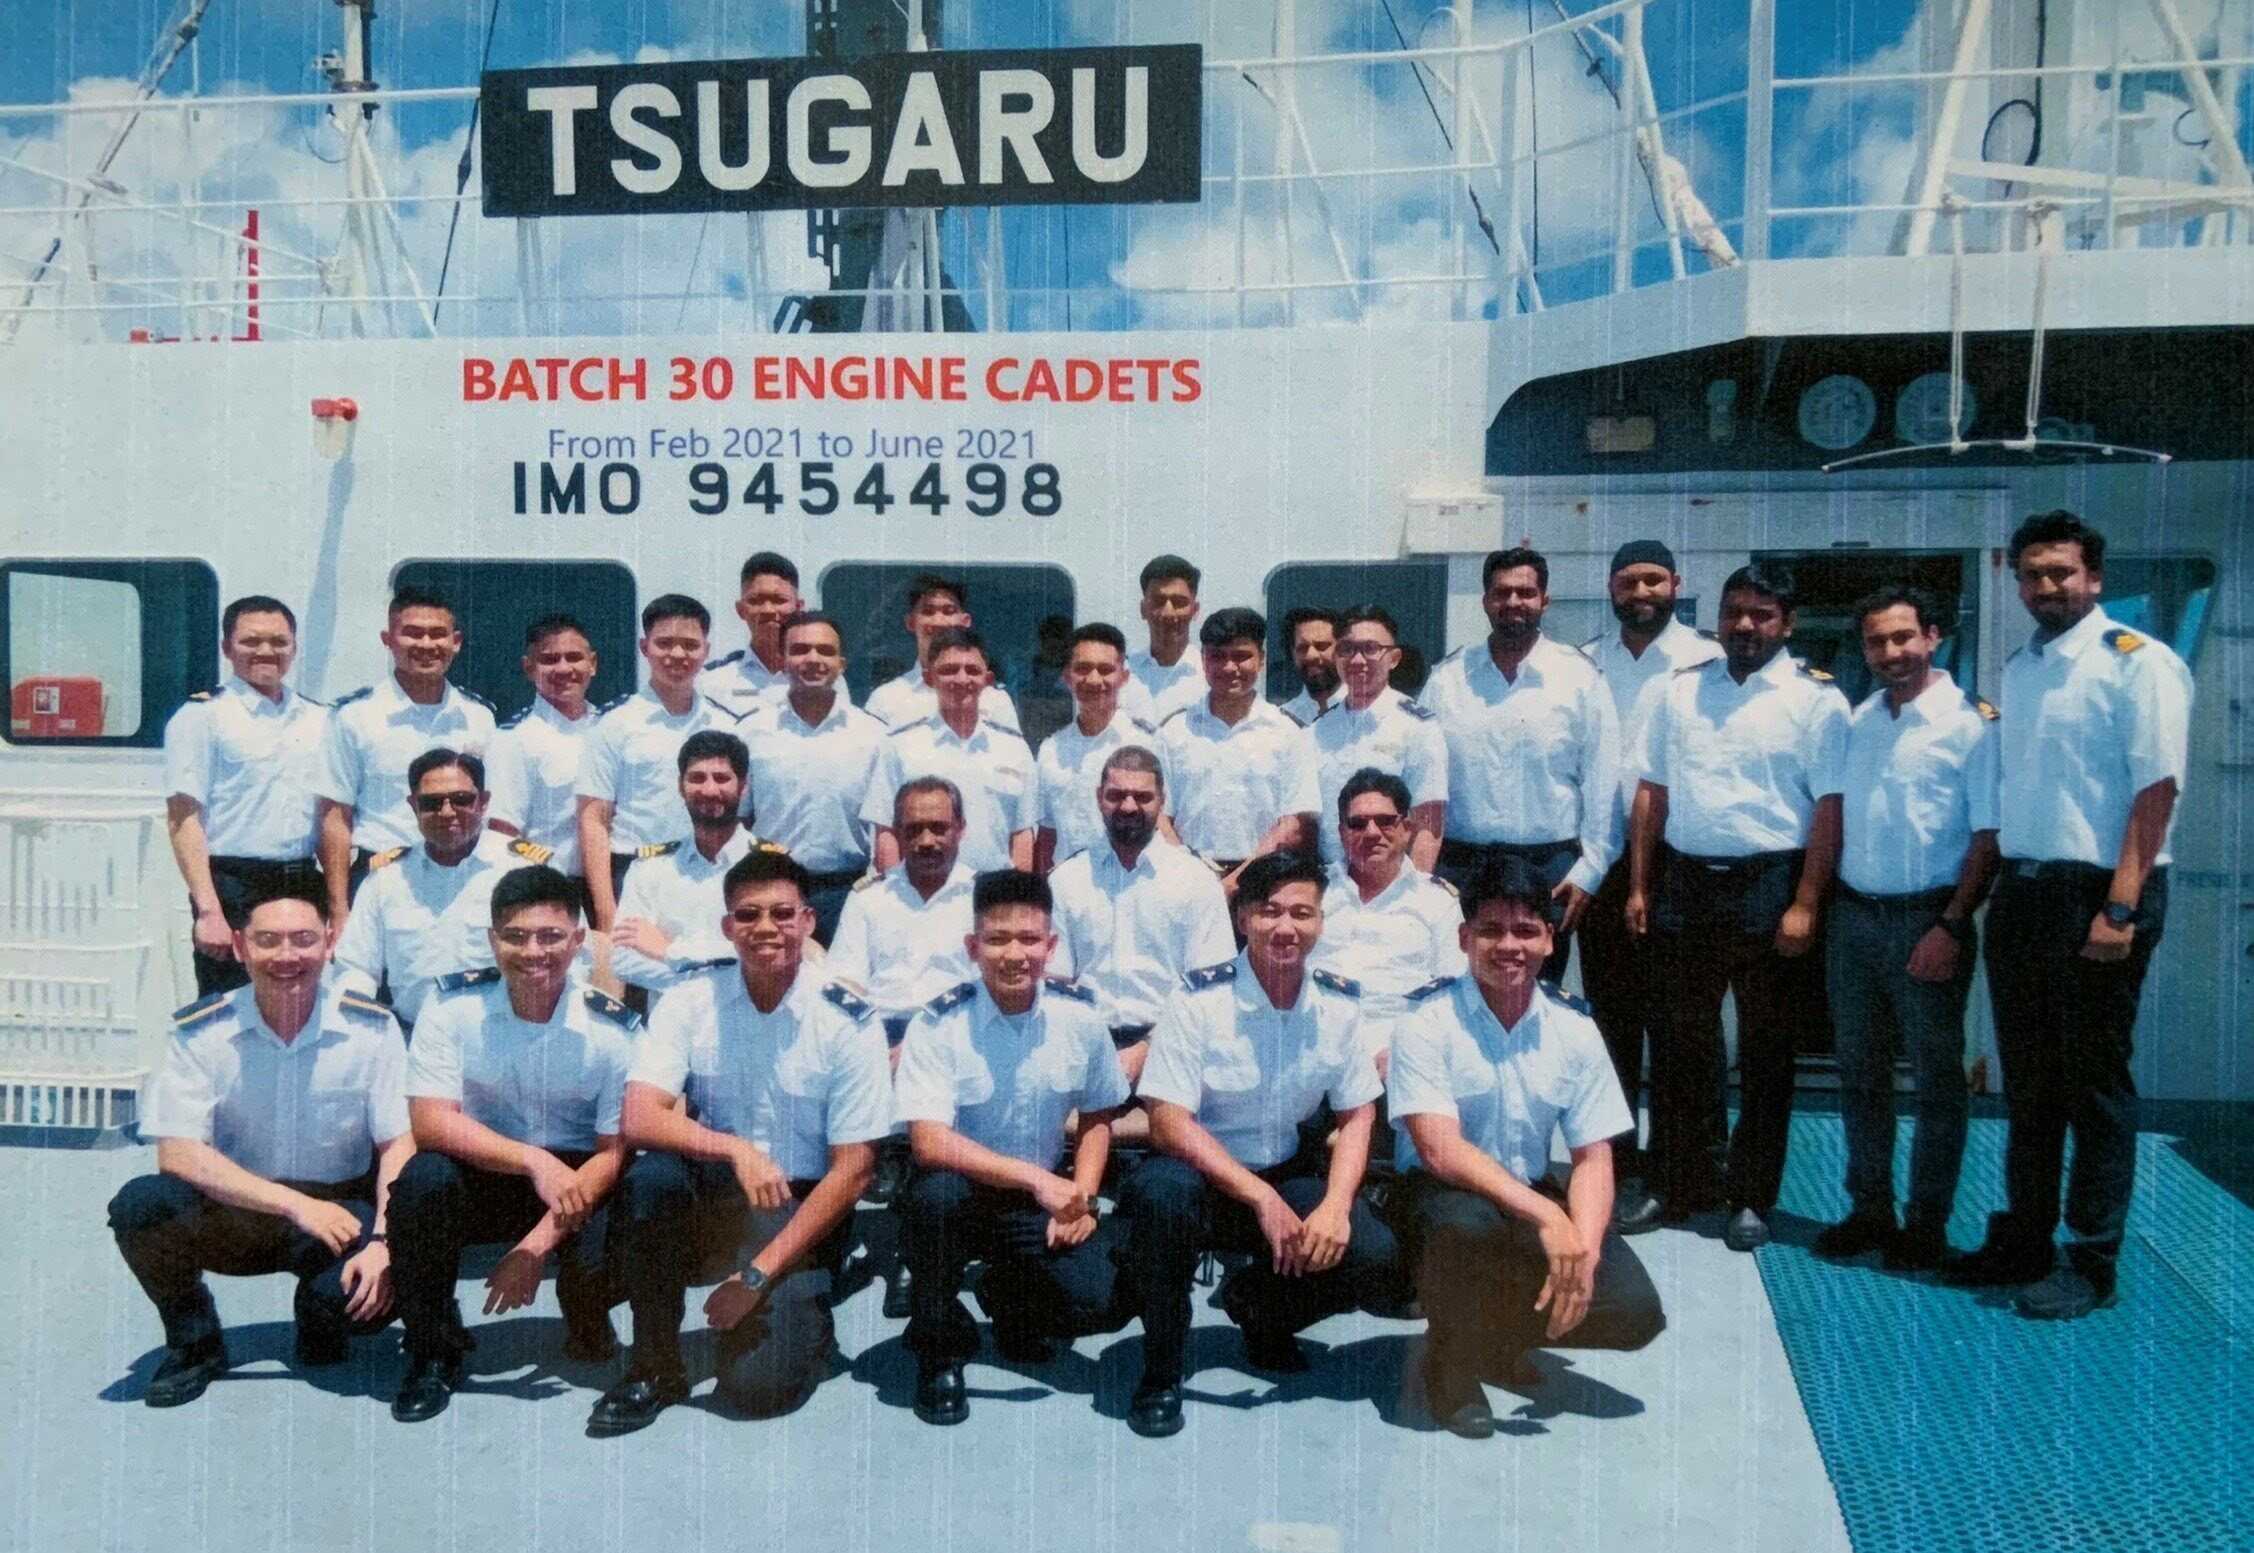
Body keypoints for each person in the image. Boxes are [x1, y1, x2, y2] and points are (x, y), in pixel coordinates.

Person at [1942, 511, 2192, 1320]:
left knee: (2093, 1084)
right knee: (2031, 1083)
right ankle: (2025, 1238)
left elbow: (2156, 788)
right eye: (2032, 574)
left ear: (2095, 578)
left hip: (2100, 893)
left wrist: (2120, 905)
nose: (2046, 585)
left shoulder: (2137, 664)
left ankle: (2091, 1257)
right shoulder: (2023, 668)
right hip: (2026, 891)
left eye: (2062, 571)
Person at [591, 851, 892, 1433]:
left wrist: (756, 1275)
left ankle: (807, 1316)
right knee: (652, 1179)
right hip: (721, 1191)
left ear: (808, 921)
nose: (765, 928)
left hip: (803, 1209)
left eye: (782, 914)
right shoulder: (691, 1000)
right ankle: (654, 1366)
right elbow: (639, 1117)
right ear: (728, 927)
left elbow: (854, 1171)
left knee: (757, 1390)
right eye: (748, 915)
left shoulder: (848, 1019)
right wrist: (736, 1150)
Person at [1119, 851, 1401, 1439]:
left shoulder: (1338, 1005)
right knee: (1158, 1199)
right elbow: (1167, 1122)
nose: (1285, 927)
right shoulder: (1198, 999)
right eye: (1270, 911)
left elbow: (1357, 1114)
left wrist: (1335, 1206)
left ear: (1321, 922)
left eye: (1302, 913)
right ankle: (1162, 1369)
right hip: (1199, 1174)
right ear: (1243, 917)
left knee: (1373, 1252)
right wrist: (1259, 1198)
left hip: (1284, 1169)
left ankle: (1261, 1308)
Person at [1388, 859, 1666, 1439]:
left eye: (1525, 931)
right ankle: (1450, 1367)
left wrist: (1583, 1253)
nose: (1509, 946)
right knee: (1466, 1228)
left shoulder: (1574, 1027)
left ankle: (1491, 1338)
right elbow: (1440, 1151)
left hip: (1527, 1194)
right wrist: (1549, 1217)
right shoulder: (1426, 1020)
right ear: (1464, 939)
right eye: (1490, 930)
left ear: (1549, 940)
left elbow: (1593, 1157)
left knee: (1634, 1312)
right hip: (1442, 1197)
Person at [108, 877, 411, 1408]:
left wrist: (384, 1243)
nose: (287, 956)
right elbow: (178, 1153)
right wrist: (295, 1205)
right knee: (142, 1205)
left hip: (338, 1215)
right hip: (237, 1211)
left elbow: (397, 1145)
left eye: (303, 939)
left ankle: (319, 1315)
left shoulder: (372, 1029)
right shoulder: (201, 1031)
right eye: (268, 940)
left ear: (330, 942)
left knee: (359, 1309)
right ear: (240, 946)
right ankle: (194, 1341)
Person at [1625, 562, 1848, 1251]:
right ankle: (1679, 1181)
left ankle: (1750, 1195)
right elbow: (1652, 793)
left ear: (1788, 623)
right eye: (1734, 612)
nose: (1745, 625)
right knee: (1679, 1042)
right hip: (1686, 880)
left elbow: (1829, 811)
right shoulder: (1680, 690)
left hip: (1770, 884)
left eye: (1761, 614)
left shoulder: (1817, 701)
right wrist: (1639, 885)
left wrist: (1806, 902)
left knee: (1765, 1049)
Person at [387, 865, 636, 1421]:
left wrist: (533, 1249)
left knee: (635, 1202)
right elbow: (430, 1122)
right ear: (492, 939)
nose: (533, 952)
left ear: (578, 940)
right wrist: (533, 1161)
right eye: (516, 936)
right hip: (489, 1167)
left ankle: (587, 1315)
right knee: (423, 1182)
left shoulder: (614, 1031)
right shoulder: (450, 1008)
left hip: (578, 1182)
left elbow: (613, 1152)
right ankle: (432, 1348)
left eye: (551, 936)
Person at [893, 870, 1133, 1425]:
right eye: (998, 940)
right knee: (935, 1202)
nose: (1015, 955)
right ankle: (939, 1350)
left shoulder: (1080, 1017)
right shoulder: (939, 1022)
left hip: (1036, 1201)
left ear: (1051, 946)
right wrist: (1041, 1181)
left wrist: (1084, 1196)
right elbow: (929, 1142)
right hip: (959, 1192)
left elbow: (1099, 1114)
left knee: (1106, 1299)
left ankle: (1007, 1296)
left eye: (1029, 939)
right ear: (972, 947)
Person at [1813, 586, 1998, 1272]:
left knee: (1936, 1081)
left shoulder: (1973, 725)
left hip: (1930, 919)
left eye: (1902, 637)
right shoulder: (1860, 720)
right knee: (1860, 1075)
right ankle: (1869, 1210)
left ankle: (1925, 1224)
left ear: (1933, 637)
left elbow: (1987, 838)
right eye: (1876, 641)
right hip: (1855, 918)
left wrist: (1951, 924)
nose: (1890, 652)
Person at [1575, 541, 1721, 1233]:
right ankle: (1622, 1169)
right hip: (1604, 860)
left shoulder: (1707, 660)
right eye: (1629, 581)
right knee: (1612, 1024)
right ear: (1611, 587)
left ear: (1675, 584)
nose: (1641, 592)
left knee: (1682, 1027)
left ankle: (1687, 1171)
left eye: (1654, 580)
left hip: (1675, 861)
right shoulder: (1585, 662)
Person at [1421, 547, 1619, 983]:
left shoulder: (1580, 678)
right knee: (1457, 988)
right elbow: (1423, 782)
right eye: (1502, 593)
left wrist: (1589, 871)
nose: (1513, 602)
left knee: (1537, 994)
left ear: (1545, 600)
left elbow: (1603, 784)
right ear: (1485, 601)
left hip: (1548, 868)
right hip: (1461, 867)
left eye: (1526, 593)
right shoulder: (1447, 679)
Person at [825, 775, 979, 1316]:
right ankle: (826, 1254)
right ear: (897, 833)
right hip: (878, 1037)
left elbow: (989, 987)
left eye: (939, 827)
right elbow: (843, 986)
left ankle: (919, 1257)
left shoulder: (985, 897)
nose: (927, 840)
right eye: (914, 829)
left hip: (958, 1038)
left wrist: (918, 1042)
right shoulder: (869, 900)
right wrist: (869, 1047)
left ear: (961, 829)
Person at [163, 595, 327, 996]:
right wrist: (209, 911)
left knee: (302, 1003)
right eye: (251, 641)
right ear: (226, 648)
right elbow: (183, 818)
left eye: (279, 641)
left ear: (294, 648)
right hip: (234, 886)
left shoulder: (318, 719)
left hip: (303, 880)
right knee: (228, 1008)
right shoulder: (201, 717)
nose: (266, 651)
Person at [1047, 747, 1235, 1085]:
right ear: (1098, 798)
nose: (1129, 806)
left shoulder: (1196, 880)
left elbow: (1211, 989)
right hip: (1084, 1049)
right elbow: (1055, 984)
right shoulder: (1066, 880)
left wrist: (1146, 1051)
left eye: (1142, 797)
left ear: (1162, 800)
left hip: (1175, 1049)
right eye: (1116, 795)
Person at [316, 585, 496, 923]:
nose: (426, 644)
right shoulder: (355, 717)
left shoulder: (478, 717)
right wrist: (339, 911)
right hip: (381, 875)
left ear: (456, 641)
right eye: (412, 633)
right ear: (388, 640)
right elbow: (335, 818)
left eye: (437, 634)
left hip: (462, 877)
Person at [332, 748, 548, 1030]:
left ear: (483, 802)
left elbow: (569, 961)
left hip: (504, 1035)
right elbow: (355, 968)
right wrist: (361, 1031)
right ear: (414, 806)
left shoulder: (527, 871)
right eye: (431, 803)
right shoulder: (387, 879)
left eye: (461, 800)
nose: (447, 812)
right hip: (410, 1035)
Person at [576, 594, 739, 935]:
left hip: (709, 872)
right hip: (633, 872)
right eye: (664, 643)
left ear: (706, 651)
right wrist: (606, 911)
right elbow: (594, 820)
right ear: (644, 647)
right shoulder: (615, 724)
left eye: (690, 645)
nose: (677, 654)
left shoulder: (726, 725)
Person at [739, 610, 885, 944]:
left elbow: (886, 828)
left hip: (849, 892)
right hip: (772, 890)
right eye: (800, 650)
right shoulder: (751, 732)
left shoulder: (874, 736)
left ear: (841, 664)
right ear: (782, 660)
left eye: (825, 651)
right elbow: (740, 819)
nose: (813, 659)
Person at [1157, 607, 1320, 886]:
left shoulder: (1288, 732)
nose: (1229, 667)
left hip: (1263, 881)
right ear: (1203, 660)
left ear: (1261, 659)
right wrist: (1193, 876)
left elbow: (1295, 824)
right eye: (1217, 656)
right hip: (1188, 881)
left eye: (1241, 656)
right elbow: (1159, 817)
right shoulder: (1174, 731)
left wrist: (1235, 883)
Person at [862, 628, 1036, 875]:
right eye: (949, 670)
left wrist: (1016, 892)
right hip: (923, 889)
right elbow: (886, 832)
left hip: (993, 889)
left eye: (972, 670)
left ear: (987, 680)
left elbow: (1022, 834)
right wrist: (895, 889)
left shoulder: (1014, 749)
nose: (962, 679)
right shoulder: (900, 746)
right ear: (929, 678)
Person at [1314, 769, 1466, 1049]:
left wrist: (1403, 1052)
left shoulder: (1437, 901)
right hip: (1318, 1043)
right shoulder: (1314, 892)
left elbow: (1456, 989)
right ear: (1341, 833)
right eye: (1357, 824)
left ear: (1407, 829)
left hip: (1405, 1047)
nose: (1372, 833)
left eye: (1385, 821)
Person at [609, 731, 769, 998]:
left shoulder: (771, 869)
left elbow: (767, 957)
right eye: (697, 778)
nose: (709, 790)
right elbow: (624, 961)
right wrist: (723, 969)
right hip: (669, 1021)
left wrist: (669, 951)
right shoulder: (649, 869)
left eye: (721, 778)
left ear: (743, 786)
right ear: (680, 786)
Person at [1308, 607, 1447, 871]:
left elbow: (1429, 823)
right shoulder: (1317, 731)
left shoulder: (1418, 727)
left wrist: (1415, 887)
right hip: (1330, 878)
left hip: (1392, 878)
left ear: (1394, 658)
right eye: (1347, 649)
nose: (1357, 660)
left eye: (1370, 649)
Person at [1031, 622, 1174, 872]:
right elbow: (1047, 835)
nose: (1094, 679)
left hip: (1132, 880)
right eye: (1082, 669)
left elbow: (1165, 823)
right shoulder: (1050, 750)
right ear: (1067, 676)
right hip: (1068, 884)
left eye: (1105, 670)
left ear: (1124, 677)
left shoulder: (1148, 742)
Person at [485, 614, 601, 892]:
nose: (563, 668)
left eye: (574, 657)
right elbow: (502, 834)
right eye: (549, 660)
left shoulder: (613, 728)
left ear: (593, 664)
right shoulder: (513, 739)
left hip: (618, 885)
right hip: (550, 886)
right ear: (528, 668)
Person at [863, 573, 1021, 731]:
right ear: (910, 622)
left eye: (949, 611)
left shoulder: (994, 700)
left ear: (965, 621)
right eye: (928, 611)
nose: (938, 621)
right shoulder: (886, 699)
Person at [698, 552, 805, 717]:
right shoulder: (712, 681)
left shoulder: (822, 677)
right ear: (740, 610)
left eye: (779, 600)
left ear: (798, 607)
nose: (768, 610)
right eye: (756, 600)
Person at [1123, 554, 1207, 722]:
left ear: (1195, 610)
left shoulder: (1211, 675)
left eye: (1179, 602)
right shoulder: (1122, 673)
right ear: (1143, 609)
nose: (1168, 613)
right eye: (1158, 601)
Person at [1278, 606, 1344, 725]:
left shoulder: (1366, 711)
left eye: (1321, 646)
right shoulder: (1282, 720)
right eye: (1302, 648)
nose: (1311, 656)